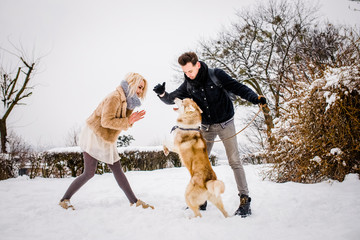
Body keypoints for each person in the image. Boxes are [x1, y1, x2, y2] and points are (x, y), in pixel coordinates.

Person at [153, 52, 266, 217]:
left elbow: (238, 87)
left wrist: (255, 98)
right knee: (199, 163)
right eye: (185, 72)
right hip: (206, 128)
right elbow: (172, 99)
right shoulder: (188, 85)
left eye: (190, 71)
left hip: (226, 123)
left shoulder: (216, 75)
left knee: (234, 161)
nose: (188, 75)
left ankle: (245, 200)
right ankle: (202, 197)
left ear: (197, 65)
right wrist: (162, 93)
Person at [59, 72, 154, 210]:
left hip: (107, 138)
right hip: (95, 135)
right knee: (89, 173)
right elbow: (106, 121)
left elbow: (121, 122)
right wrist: (128, 121)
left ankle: (134, 201)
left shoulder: (129, 102)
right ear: (131, 84)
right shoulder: (115, 97)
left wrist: (129, 121)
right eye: (139, 87)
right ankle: (64, 199)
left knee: (117, 170)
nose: (140, 91)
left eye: (142, 89)